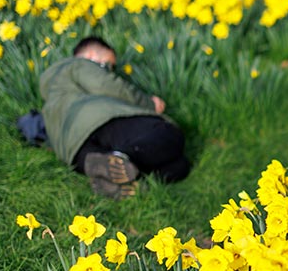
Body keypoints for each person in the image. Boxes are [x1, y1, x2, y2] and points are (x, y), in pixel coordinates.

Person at [40, 37, 191, 199]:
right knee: (169, 134)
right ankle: (121, 161)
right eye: (108, 65)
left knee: (181, 165)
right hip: (101, 121)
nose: (109, 71)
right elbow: (108, 86)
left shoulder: (51, 97)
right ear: (90, 55)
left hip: (75, 149)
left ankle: (117, 175)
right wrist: (149, 103)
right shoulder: (78, 64)